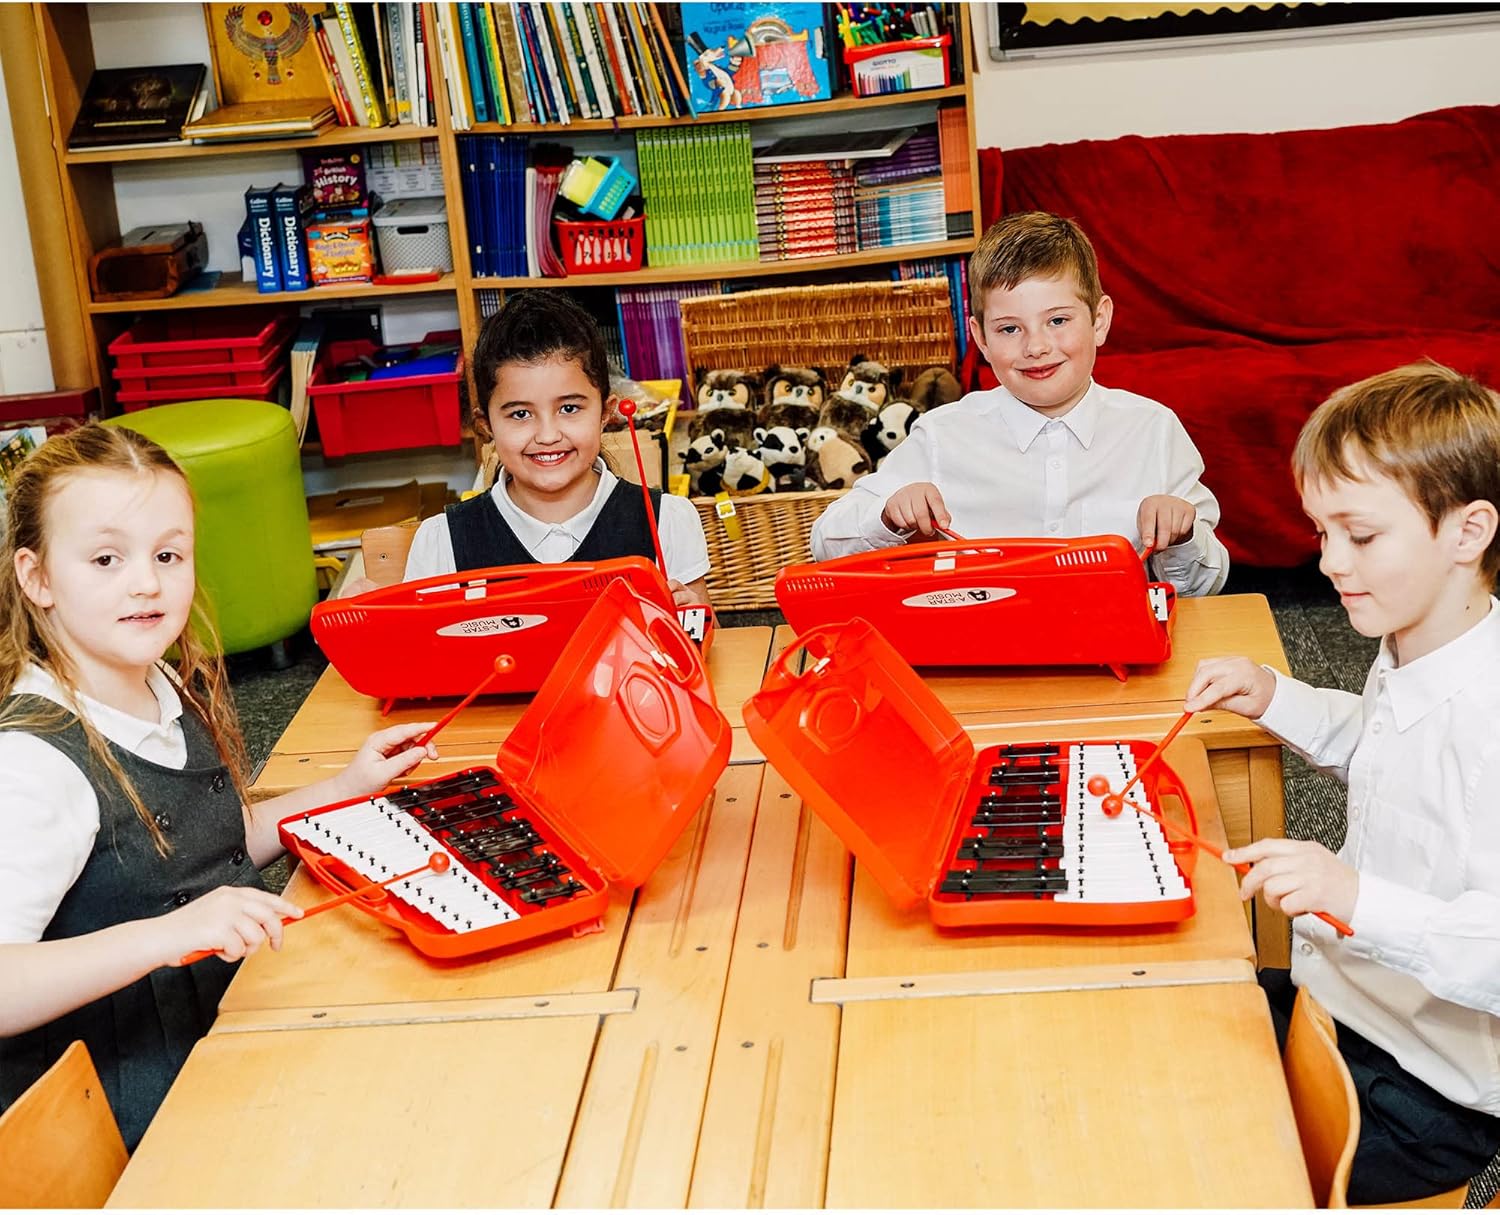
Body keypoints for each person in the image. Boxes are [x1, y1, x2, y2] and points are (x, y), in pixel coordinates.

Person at [0, 424, 439, 1149]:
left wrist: (347, 785)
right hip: (134, 1121)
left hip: (222, 1026)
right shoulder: (34, 763)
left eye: (167, 554)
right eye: (107, 558)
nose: (146, 581)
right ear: (37, 576)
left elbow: (214, 840)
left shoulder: (156, 681)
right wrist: (169, 935)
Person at [1184, 362, 1500, 1203]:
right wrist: (1274, 694)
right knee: (1168, 1029)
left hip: (1421, 1091)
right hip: (1343, 999)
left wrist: (1354, 895)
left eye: (1360, 535)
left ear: (1467, 533)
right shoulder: (1414, 645)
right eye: (1322, 531)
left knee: (1196, 1165)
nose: (1328, 561)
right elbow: (1386, 749)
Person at [810, 211, 1229, 596]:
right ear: (981, 339)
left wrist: (1184, 533)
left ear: (1099, 320)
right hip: (981, 653)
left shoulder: (1153, 430)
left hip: (1120, 660)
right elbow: (825, 545)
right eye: (1010, 328)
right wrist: (887, 516)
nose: (1036, 347)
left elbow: (1205, 586)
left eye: (1058, 321)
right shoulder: (942, 435)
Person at [403, 292, 711, 605]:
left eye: (569, 409)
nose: (548, 435)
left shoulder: (666, 521)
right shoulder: (443, 542)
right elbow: (416, 649)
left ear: (606, 414)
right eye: (520, 414)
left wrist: (687, 619)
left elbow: (700, 639)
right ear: (486, 425)